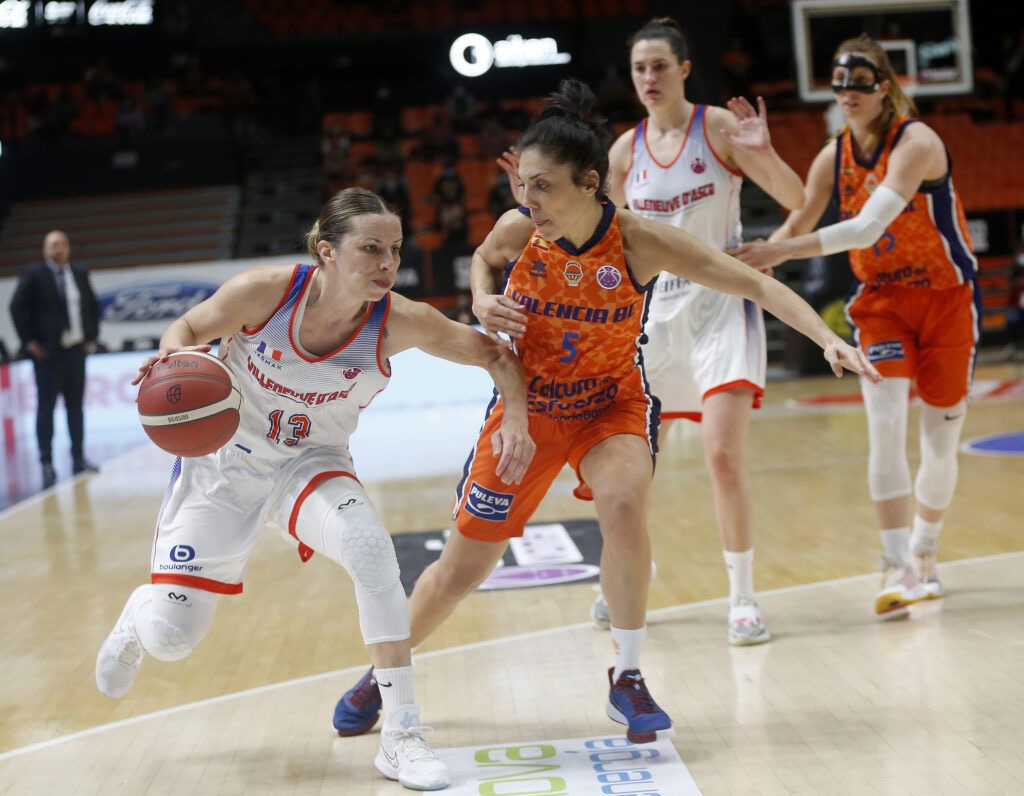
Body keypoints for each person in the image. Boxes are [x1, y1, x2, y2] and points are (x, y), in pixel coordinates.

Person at [331, 80, 879, 745]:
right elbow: (483, 257)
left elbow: (755, 284)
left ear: (590, 184)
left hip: (609, 406)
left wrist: (826, 338)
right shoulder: (518, 229)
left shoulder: (641, 241)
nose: (528, 200)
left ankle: (628, 674)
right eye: (524, 185)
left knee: (622, 505)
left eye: (543, 187)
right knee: (458, 573)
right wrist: (479, 297)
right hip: (527, 412)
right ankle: (382, 673)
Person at [93, 188, 535, 791]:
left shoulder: (401, 320)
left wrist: (516, 420)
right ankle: (136, 617)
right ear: (327, 251)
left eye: (395, 249)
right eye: (371, 248)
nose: (387, 263)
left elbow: (496, 356)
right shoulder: (265, 293)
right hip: (226, 467)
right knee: (172, 640)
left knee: (371, 550)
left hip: (311, 464)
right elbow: (189, 325)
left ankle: (402, 734)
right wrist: (173, 356)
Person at [733, 34, 980, 618]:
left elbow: (867, 227)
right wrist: (758, 258)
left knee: (940, 442)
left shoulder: (917, 142)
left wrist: (781, 250)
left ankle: (924, 548)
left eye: (860, 81)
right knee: (885, 424)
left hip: (946, 299)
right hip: (882, 302)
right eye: (839, 81)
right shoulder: (833, 154)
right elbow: (799, 217)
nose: (848, 91)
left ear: (884, 86)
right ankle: (894, 563)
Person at [590, 17, 807, 646]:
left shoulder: (715, 129)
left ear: (685, 69)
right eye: (639, 68)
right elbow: (600, 240)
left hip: (722, 307)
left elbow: (795, 197)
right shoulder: (624, 152)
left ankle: (742, 597)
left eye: (660, 65)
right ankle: (634, 571)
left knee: (722, 454)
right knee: (632, 467)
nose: (649, 77)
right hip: (652, 320)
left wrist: (763, 152)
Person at [9, 230, 101, 488]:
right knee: (46, 408)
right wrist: (29, 341)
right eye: (53, 245)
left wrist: (92, 336)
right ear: (45, 249)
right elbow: (16, 307)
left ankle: (78, 458)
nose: (58, 248)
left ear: (69, 247)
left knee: (76, 408)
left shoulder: (80, 272)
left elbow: (92, 306)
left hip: (75, 351)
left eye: (62, 244)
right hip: (48, 354)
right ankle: (47, 463)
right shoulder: (34, 274)